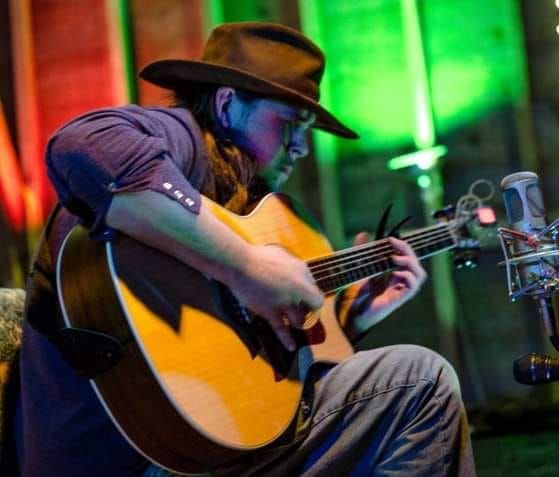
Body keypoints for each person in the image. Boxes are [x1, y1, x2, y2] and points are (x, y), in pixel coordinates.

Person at [9, 22, 476, 476]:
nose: (301, 147)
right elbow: (83, 143)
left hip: (211, 453)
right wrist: (246, 266)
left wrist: (350, 320)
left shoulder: (246, 200)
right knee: (421, 381)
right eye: (290, 124)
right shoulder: (182, 139)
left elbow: (246, 389)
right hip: (129, 460)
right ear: (227, 103)